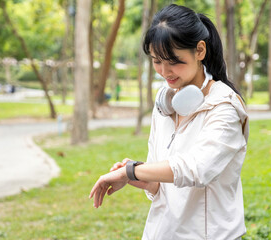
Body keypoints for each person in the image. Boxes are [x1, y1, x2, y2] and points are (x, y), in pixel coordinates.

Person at [89, 4, 249, 240]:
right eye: (156, 61)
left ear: (200, 50)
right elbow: (159, 187)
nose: (165, 72)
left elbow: (197, 169)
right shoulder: (165, 101)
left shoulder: (224, 107)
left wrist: (131, 171)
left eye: (174, 61)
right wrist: (137, 175)